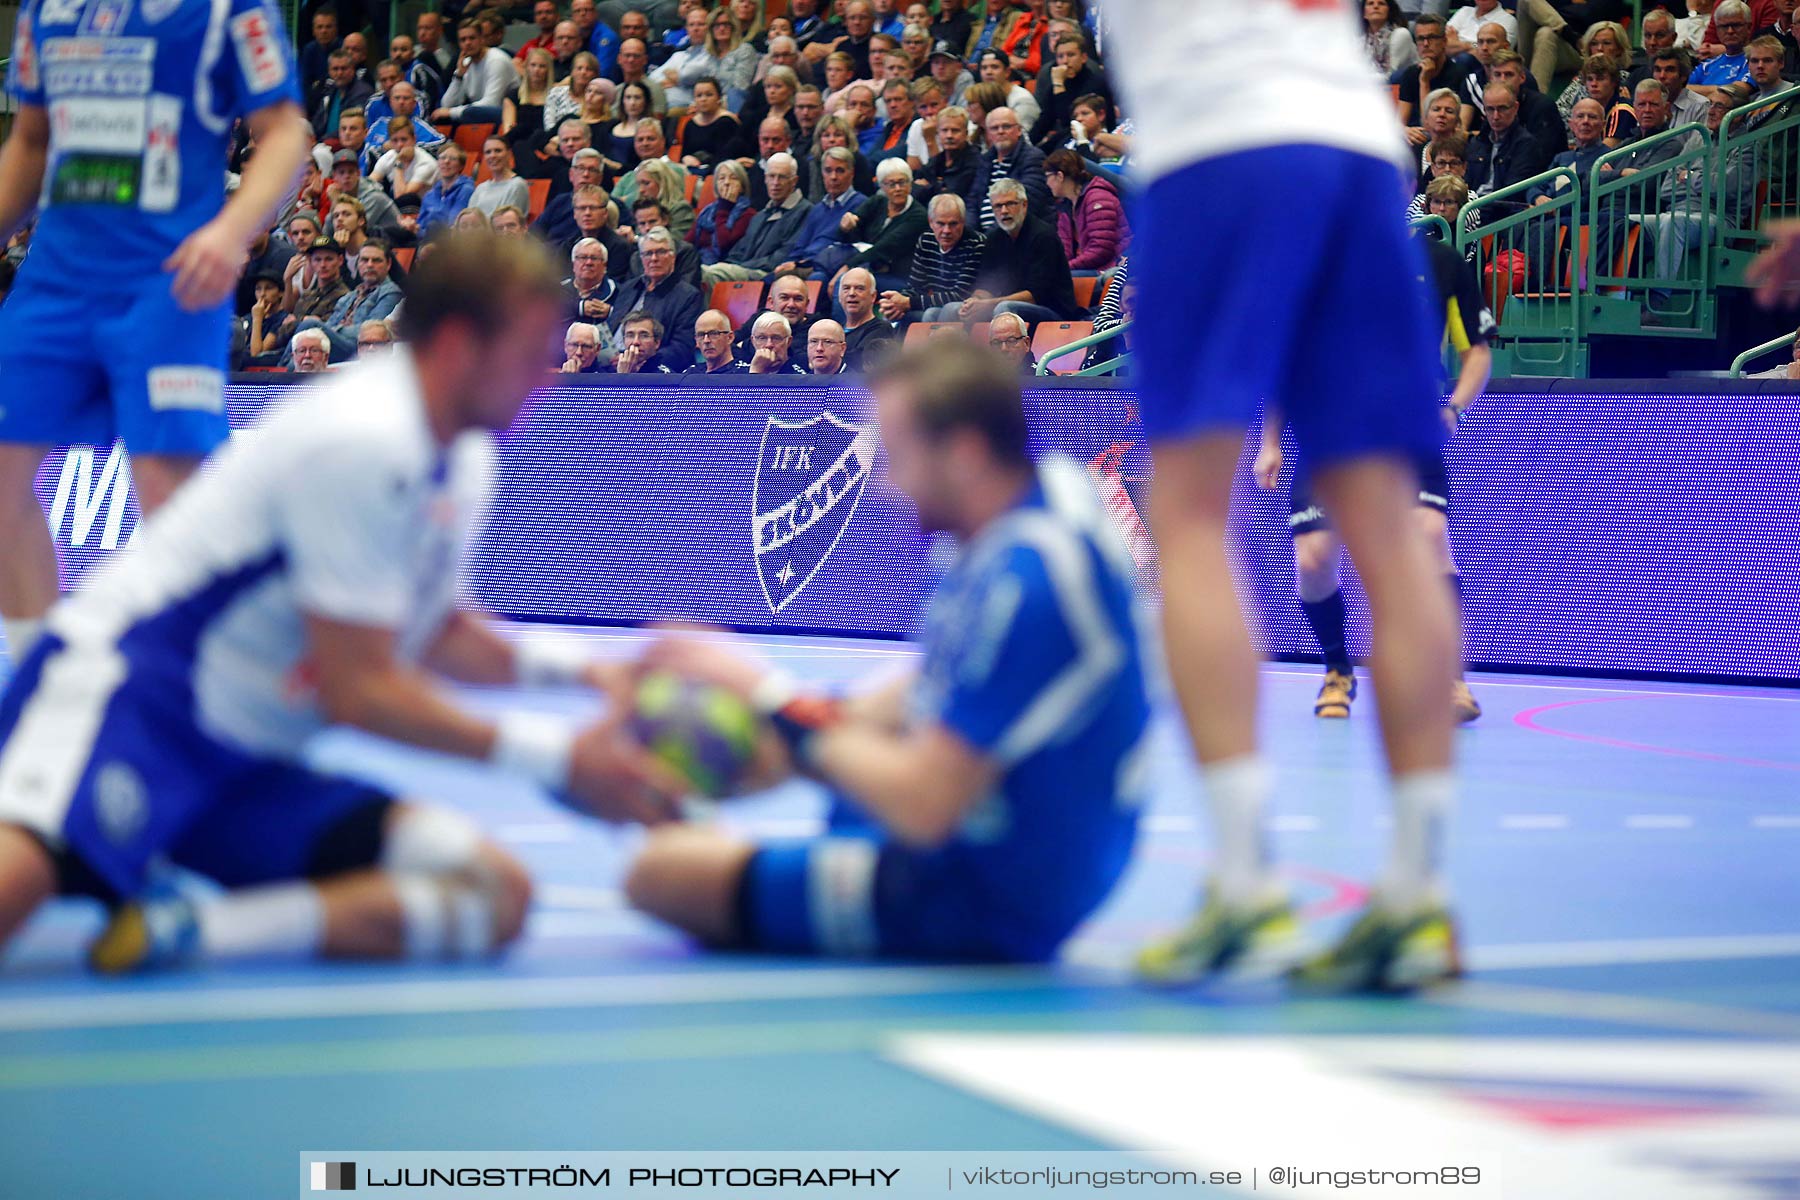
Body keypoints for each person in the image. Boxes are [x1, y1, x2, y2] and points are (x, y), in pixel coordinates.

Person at [0, 235, 683, 973]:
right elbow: (362, 691)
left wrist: (596, 677)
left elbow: (440, 634)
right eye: (528, 355)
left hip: (249, 762)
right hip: (131, 705)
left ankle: (190, 930)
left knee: (492, 894)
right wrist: (558, 759)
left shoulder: (465, 452)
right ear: (458, 347)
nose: (544, 382)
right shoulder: (363, 438)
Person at [1107, 0, 1464, 992]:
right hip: (1356, 147)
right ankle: (1416, 899)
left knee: (1186, 520)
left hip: (1219, 144)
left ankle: (1244, 882)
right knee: (1391, 533)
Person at [626, 340, 1151, 963]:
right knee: (822, 765)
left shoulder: (1028, 582)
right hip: (1010, 837)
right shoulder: (1034, 511)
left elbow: (925, 803)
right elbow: (931, 687)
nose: (885, 480)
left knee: (659, 875)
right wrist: (767, 740)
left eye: (897, 453)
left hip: (989, 891)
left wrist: (767, 696)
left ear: (963, 454)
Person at [0, 0, 312, 664]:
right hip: (56, 280)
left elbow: (287, 133)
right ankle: (38, 671)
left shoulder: (230, 11)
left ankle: (197, 685)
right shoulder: (46, 11)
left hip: (169, 282)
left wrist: (232, 231)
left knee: (176, 502)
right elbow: (30, 142)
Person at [1256, 235, 1493, 730]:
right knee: (1314, 557)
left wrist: (1453, 405)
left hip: (1405, 429)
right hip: (1328, 432)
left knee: (1428, 535)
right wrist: (1271, 440)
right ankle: (1339, 669)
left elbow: (1476, 352)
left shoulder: (1440, 262)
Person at [960, 179, 1080, 326]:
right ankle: (958, 349)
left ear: (1024, 205)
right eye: (998, 206)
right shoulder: (993, 238)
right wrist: (975, 301)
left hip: (1052, 312)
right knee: (952, 309)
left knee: (1005, 309)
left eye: (1010, 204)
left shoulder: (1043, 236)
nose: (1004, 211)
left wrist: (988, 304)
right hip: (1006, 306)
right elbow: (986, 286)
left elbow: (1035, 296)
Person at [701, 154, 815, 284]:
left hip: (768, 275)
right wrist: (732, 265)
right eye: (771, 176)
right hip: (744, 270)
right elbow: (737, 252)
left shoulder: (805, 211)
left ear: (794, 181)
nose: (776, 183)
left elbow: (781, 258)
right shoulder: (760, 215)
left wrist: (741, 266)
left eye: (782, 177)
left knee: (708, 274)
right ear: (765, 178)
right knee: (701, 272)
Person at [881, 193, 986, 323]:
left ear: (963, 222)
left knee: (931, 313)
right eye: (940, 224)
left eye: (953, 224)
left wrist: (908, 302)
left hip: (963, 310)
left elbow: (960, 295)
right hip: (933, 303)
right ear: (930, 222)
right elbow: (916, 287)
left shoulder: (976, 243)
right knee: (889, 317)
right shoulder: (926, 241)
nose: (946, 230)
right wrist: (896, 304)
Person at [610, 228, 705, 367]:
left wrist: (640, 361)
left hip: (651, 369)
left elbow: (682, 349)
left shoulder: (688, 296)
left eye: (661, 252)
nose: (654, 258)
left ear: (673, 257)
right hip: (612, 363)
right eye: (648, 253)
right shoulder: (628, 288)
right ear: (641, 259)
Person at [1045, 149, 1127, 273]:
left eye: (1048, 176)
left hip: (1110, 267)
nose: (1047, 183)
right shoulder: (1066, 206)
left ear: (1060, 176)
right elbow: (1064, 249)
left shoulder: (1098, 198)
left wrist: (1065, 268)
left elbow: (1102, 250)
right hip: (1087, 267)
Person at [1466, 82, 1554, 195]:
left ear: (1515, 108)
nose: (1496, 116)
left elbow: (1512, 193)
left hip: (1501, 208)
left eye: (1502, 109)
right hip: (1472, 206)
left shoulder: (1526, 144)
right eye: (1490, 109)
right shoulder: (1477, 142)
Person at [433, 18, 518, 126]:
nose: (467, 43)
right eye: (463, 40)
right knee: (441, 119)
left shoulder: (496, 60)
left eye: (472, 38)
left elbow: (491, 103)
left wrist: (451, 112)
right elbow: (446, 104)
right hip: (481, 118)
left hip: (506, 116)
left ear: (482, 39)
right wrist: (459, 75)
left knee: (469, 113)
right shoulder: (466, 63)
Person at [692, 160, 757, 263]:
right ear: (716, 185)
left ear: (742, 186)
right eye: (722, 178)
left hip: (726, 263)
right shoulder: (707, 212)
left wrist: (724, 207)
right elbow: (689, 241)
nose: (727, 183)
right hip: (699, 260)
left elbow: (723, 244)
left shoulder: (748, 214)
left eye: (733, 178)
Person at [837, 267, 899, 366]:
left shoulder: (882, 329)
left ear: (873, 296)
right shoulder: (836, 329)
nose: (852, 293)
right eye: (846, 288)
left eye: (860, 288)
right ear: (839, 296)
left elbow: (858, 362)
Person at [419, 145, 476, 235]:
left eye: (453, 159)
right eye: (442, 158)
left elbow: (453, 224)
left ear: (461, 166)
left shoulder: (466, 190)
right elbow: (420, 225)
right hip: (424, 239)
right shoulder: (430, 194)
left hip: (447, 241)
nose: (446, 161)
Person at [564, 238, 620, 324]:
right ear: (573, 264)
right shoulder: (557, 289)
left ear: (604, 266)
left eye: (594, 258)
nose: (588, 262)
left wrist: (611, 312)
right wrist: (580, 307)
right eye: (583, 257)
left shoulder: (618, 292)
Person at [604, 309, 679, 372]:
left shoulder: (666, 377)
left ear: (657, 343)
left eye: (644, 336)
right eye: (630, 335)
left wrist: (624, 376)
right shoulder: (607, 373)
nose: (635, 342)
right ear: (624, 340)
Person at [473, 140, 534, 217]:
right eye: (488, 152)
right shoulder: (481, 188)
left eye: (498, 151)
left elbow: (506, 222)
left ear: (509, 154)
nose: (492, 155)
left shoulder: (517, 185)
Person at [1362, 0, 1417, 77]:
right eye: (1370, 3)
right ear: (1364, 14)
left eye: (1381, 3)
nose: (1375, 6)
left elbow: (1390, 75)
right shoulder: (1361, 40)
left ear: (1389, 11)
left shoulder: (1401, 34)